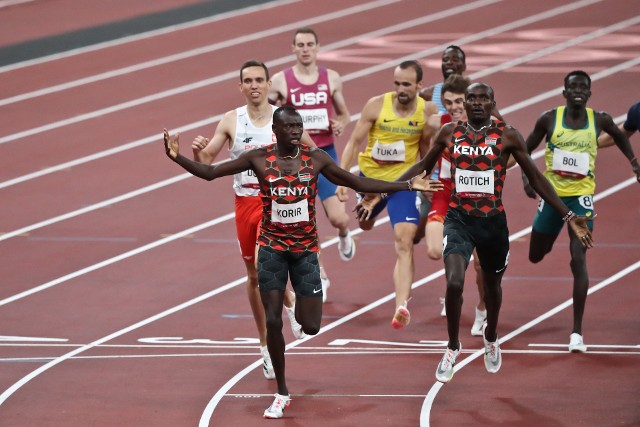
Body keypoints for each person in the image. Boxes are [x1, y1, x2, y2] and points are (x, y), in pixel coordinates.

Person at [163, 106, 442, 418]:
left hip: (305, 250)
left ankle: (296, 305)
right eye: (290, 127)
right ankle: (282, 392)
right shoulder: (258, 158)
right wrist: (177, 158)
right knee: (272, 322)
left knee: (310, 325)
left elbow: (356, 182)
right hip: (270, 248)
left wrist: (406, 185)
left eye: (299, 126)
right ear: (276, 130)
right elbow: (211, 173)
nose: (296, 131)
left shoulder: (315, 158)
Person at [392, 82, 593, 383]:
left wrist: (568, 215)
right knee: (455, 282)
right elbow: (422, 165)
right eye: (470, 98)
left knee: (492, 288)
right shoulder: (449, 133)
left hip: (493, 224)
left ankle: (491, 335)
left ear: (491, 104)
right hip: (458, 220)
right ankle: (452, 347)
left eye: (482, 99)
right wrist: (382, 192)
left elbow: (536, 177)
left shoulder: (508, 135)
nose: (475, 103)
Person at [190, 60, 312, 382]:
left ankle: (291, 304)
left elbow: (313, 156)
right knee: (254, 275)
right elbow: (208, 161)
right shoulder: (232, 120)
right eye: (248, 80)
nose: (254, 85)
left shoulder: (284, 119)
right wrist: (199, 150)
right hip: (243, 201)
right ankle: (264, 344)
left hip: (275, 202)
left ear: (269, 83)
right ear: (240, 86)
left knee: (263, 261)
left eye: (260, 79)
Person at [522, 71, 640, 353]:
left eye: (583, 87)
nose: (577, 91)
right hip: (552, 197)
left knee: (579, 258)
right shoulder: (549, 118)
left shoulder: (599, 120)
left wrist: (634, 163)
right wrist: (527, 179)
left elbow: (621, 136)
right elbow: (524, 150)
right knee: (536, 254)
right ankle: (549, 240)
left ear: (589, 93)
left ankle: (577, 332)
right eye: (572, 86)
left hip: (581, 199)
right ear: (564, 92)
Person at [338, 60, 438, 330]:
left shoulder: (427, 112)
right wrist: (342, 180)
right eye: (397, 83)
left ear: (419, 85)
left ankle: (401, 305)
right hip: (369, 181)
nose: (401, 89)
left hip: (401, 184)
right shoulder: (375, 105)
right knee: (365, 224)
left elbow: (427, 152)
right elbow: (353, 142)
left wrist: (426, 181)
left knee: (404, 241)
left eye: (407, 84)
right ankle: (368, 212)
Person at [269, 27, 355, 303]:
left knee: (338, 218)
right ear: (293, 49)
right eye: (300, 45)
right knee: (301, 221)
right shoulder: (281, 81)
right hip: (295, 160)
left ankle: (343, 234)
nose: (305, 49)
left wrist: (341, 122)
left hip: (324, 152)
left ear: (318, 48)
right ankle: (321, 273)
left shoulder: (331, 78)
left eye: (309, 44)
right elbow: (267, 112)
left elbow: (344, 112)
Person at [424, 74, 487, 335]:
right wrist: (425, 178)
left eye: (459, 101)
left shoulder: (489, 126)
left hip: (479, 197)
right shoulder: (439, 125)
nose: (454, 107)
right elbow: (428, 154)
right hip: (446, 192)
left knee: (481, 264)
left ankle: (483, 308)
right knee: (434, 250)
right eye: (448, 102)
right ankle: (453, 287)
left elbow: (512, 159)